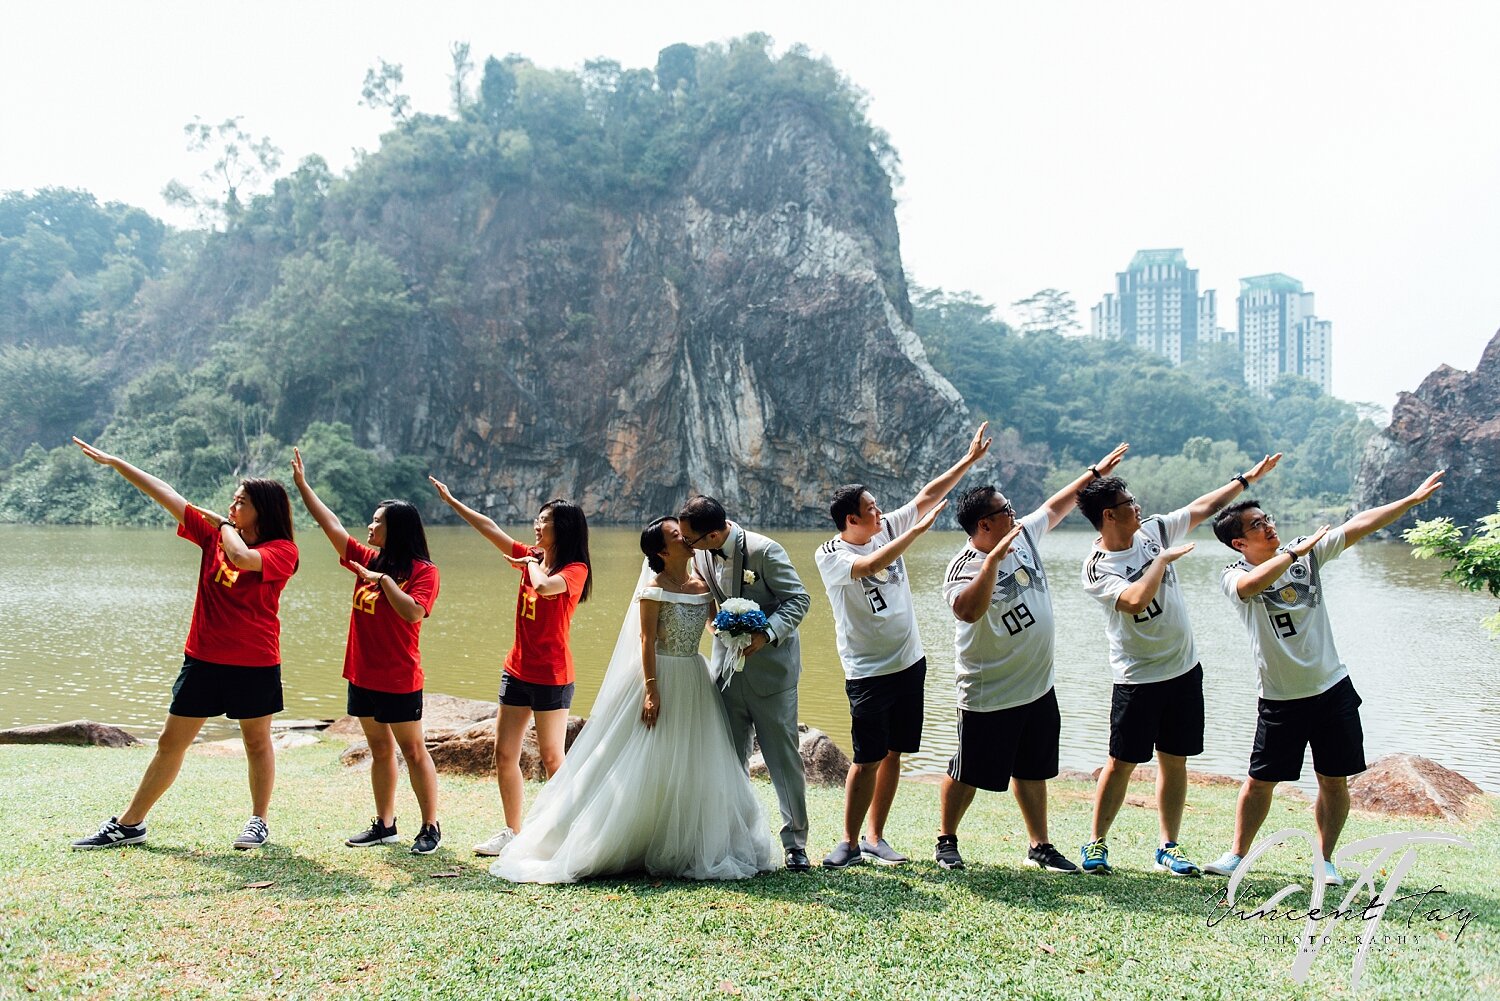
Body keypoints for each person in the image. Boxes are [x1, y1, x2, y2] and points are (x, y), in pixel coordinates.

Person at [491, 518, 779, 882]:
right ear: (661, 550)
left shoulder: (702, 585)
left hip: (694, 675)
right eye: (677, 536)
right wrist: (651, 689)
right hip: (659, 675)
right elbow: (646, 641)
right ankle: (624, 836)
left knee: (692, 757)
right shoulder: (653, 589)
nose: (686, 539)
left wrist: (736, 624)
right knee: (643, 755)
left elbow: (711, 625)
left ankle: (685, 837)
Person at [1202, 470, 1445, 886]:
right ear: (1239, 543)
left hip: (1332, 689)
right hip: (1280, 697)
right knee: (1261, 781)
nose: (1269, 525)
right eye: (1257, 525)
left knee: (1333, 779)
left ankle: (1325, 859)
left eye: (1268, 518)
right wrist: (1294, 555)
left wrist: (1409, 501)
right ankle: (1237, 854)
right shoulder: (1234, 573)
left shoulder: (1307, 554)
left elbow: (1360, 524)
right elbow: (1251, 586)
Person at [69, 437, 298, 851]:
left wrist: (224, 527)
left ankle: (258, 821)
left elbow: (245, 559)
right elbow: (168, 495)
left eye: (241, 502)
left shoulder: (282, 550)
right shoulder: (213, 537)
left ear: (263, 509)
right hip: (204, 660)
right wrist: (120, 463)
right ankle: (131, 824)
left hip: (255, 662)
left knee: (256, 741)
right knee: (170, 742)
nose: (232, 507)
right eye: (231, 501)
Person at [1075, 454, 1282, 877]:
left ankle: (1169, 846)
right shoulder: (1097, 567)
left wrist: (1244, 479)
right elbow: (1134, 602)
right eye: (1129, 502)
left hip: (1184, 670)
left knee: (1174, 760)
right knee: (1121, 762)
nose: (1138, 506)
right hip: (1138, 677)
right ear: (1109, 515)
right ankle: (1096, 843)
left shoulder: (1152, 530)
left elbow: (1202, 507)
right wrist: (1162, 562)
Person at [935, 444, 1128, 873]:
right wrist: (993, 562)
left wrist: (1093, 473)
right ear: (985, 524)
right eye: (1006, 511)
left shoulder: (1022, 535)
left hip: (1038, 684)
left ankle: (1039, 844)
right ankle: (946, 839)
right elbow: (967, 610)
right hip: (990, 690)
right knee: (968, 768)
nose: (1015, 515)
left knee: (1033, 767)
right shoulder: (964, 564)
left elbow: (1055, 507)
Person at [814, 422, 992, 869]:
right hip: (867, 669)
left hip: (909, 663)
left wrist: (966, 462)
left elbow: (926, 496)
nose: (881, 513)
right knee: (866, 756)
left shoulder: (885, 526)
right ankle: (849, 842)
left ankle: (876, 837)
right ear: (851, 520)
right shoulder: (830, 555)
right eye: (871, 509)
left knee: (895, 751)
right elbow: (872, 563)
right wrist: (914, 534)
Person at [430, 478, 591, 857]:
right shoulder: (532, 556)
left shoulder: (574, 568)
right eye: (538, 519)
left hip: (552, 675)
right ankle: (512, 831)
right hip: (517, 669)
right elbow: (491, 529)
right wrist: (454, 501)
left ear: (562, 528)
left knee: (553, 756)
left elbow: (546, 588)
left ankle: (568, 832)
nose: (537, 526)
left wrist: (532, 564)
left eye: (545, 521)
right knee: (505, 753)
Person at [292, 448, 442, 854]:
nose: (370, 527)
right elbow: (331, 524)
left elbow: (413, 613)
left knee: (412, 750)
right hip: (362, 674)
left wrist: (383, 581)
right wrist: (304, 487)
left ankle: (430, 826)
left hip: (398, 677)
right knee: (379, 750)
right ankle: (385, 824)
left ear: (398, 529)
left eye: (378, 522)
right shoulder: (367, 557)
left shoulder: (422, 572)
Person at [679, 495, 813, 871]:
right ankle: (734, 836)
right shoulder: (702, 553)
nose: (687, 546)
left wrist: (766, 634)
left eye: (692, 539)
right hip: (726, 673)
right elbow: (709, 593)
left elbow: (799, 600)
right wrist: (712, 623)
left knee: (783, 761)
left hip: (772, 673)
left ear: (714, 532)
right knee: (730, 758)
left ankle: (796, 844)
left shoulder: (765, 551)